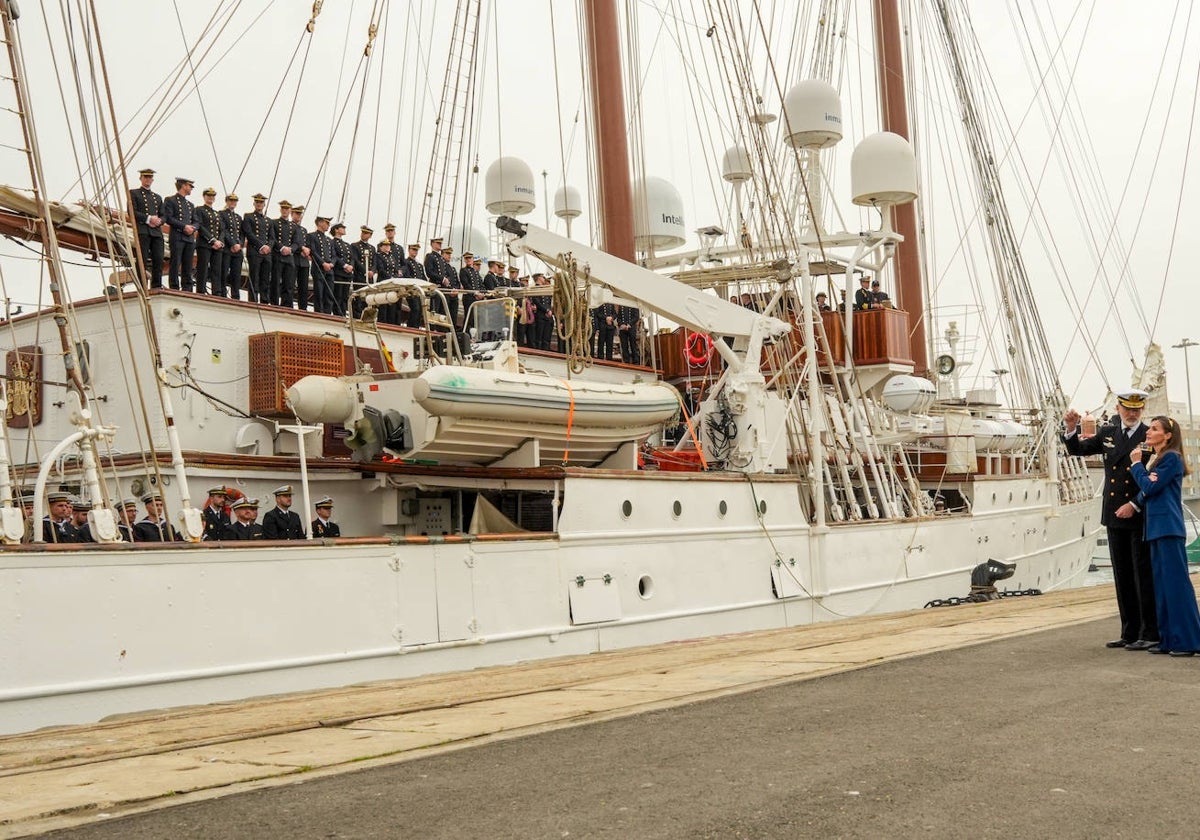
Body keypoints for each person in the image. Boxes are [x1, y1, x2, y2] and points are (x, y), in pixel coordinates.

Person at [1063, 389, 1158, 650]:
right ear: (1118, 408)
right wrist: (1071, 428)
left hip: (1138, 514)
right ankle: (1129, 633)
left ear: (1142, 411)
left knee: (1143, 576)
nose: (1132, 413)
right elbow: (1078, 449)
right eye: (1128, 409)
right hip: (1114, 513)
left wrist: (1134, 505)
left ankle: (1149, 632)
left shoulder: (1149, 436)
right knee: (1123, 576)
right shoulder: (1107, 433)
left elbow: (1153, 476)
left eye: (1137, 410)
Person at [1129, 416, 1200, 655]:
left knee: (1175, 585)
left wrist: (1136, 466)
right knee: (1161, 586)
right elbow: (1148, 491)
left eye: (1154, 429)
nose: (1148, 432)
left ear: (1168, 435)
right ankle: (1169, 639)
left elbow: (1150, 488)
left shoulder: (1171, 458)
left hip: (1168, 528)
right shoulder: (1159, 460)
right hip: (1157, 529)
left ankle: (1189, 641)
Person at [129, 168, 165, 289]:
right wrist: (149, 219)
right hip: (143, 230)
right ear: (141, 178)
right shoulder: (134, 193)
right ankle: (141, 286)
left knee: (158, 260)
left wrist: (159, 221)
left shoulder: (157, 197)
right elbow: (132, 211)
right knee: (141, 259)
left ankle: (156, 285)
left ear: (152, 180)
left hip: (156, 232)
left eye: (150, 178)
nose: (148, 180)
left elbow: (163, 214)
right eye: (145, 177)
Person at [162, 178, 197, 291]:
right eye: (190, 186)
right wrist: (184, 226)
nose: (191, 189)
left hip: (189, 238)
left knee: (188, 263)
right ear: (183, 186)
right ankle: (174, 286)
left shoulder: (190, 205)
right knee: (175, 262)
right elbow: (168, 218)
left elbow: (196, 221)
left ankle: (187, 287)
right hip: (177, 236)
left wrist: (193, 227)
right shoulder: (170, 200)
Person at [242, 193, 274, 303]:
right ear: (254, 203)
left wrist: (268, 247)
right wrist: (261, 246)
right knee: (254, 277)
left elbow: (272, 237)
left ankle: (264, 299)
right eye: (257, 202)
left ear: (264, 204)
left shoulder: (268, 220)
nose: (259, 204)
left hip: (266, 253)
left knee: (265, 278)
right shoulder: (248, 216)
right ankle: (253, 300)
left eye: (261, 202)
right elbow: (248, 233)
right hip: (255, 251)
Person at [193, 187, 224, 295]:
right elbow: (200, 226)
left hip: (217, 245)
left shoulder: (217, 213)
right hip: (204, 244)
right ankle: (201, 290)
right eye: (208, 196)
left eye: (212, 196)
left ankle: (216, 291)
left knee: (216, 269)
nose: (210, 198)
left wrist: (219, 241)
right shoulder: (199, 210)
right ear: (204, 197)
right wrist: (212, 240)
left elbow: (222, 229)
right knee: (203, 267)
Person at [271, 200, 300, 307]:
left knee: (289, 283)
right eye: (283, 209)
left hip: (289, 257)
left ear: (290, 211)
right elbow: (272, 239)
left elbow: (296, 242)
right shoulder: (274, 223)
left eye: (287, 209)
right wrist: (282, 247)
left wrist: (290, 249)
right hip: (278, 255)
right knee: (275, 281)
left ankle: (286, 304)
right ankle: (274, 303)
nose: (284, 211)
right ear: (280, 210)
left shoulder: (294, 226)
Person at [307, 216, 336, 315]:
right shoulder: (312, 236)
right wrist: (323, 263)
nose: (328, 225)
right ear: (320, 223)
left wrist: (331, 263)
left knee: (329, 293)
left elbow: (334, 255)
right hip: (319, 267)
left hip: (329, 269)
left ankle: (327, 313)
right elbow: (313, 251)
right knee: (319, 293)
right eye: (326, 223)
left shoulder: (329, 240)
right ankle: (319, 313)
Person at [217, 193, 243, 299]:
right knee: (224, 272)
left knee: (236, 274)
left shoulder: (238, 217)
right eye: (230, 201)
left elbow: (242, 233)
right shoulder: (221, 214)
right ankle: (223, 293)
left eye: (234, 201)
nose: (232, 203)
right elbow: (224, 230)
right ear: (227, 202)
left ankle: (235, 295)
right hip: (227, 248)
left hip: (237, 250)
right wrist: (232, 244)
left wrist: (239, 244)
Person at [291, 205, 312, 311]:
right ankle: (288, 305)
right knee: (290, 284)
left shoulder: (304, 230)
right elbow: (291, 242)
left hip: (304, 261)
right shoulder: (289, 226)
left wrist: (307, 250)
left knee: (303, 287)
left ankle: (303, 307)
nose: (299, 216)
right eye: (297, 214)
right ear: (292, 214)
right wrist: (301, 249)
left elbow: (307, 243)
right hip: (293, 259)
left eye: (300, 214)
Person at [331, 223, 354, 316]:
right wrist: (344, 265)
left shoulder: (347, 244)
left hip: (348, 274)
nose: (344, 229)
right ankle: (337, 314)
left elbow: (352, 257)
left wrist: (351, 266)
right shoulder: (332, 242)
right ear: (336, 230)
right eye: (342, 228)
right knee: (338, 295)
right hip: (339, 272)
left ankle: (343, 313)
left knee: (345, 296)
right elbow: (335, 256)